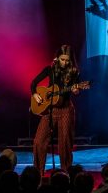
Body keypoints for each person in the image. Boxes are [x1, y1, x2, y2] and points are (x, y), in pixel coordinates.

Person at [31, 44, 81, 175]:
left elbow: (76, 90)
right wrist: (35, 94)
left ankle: (66, 174)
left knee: (64, 144)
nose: (64, 62)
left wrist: (76, 90)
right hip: (50, 109)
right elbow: (34, 83)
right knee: (39, 141)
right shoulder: (50, 69)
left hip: (65, 110)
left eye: (67, 60)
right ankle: (38, 173)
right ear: (57, 58)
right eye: (62, 59)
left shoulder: (74, 72)